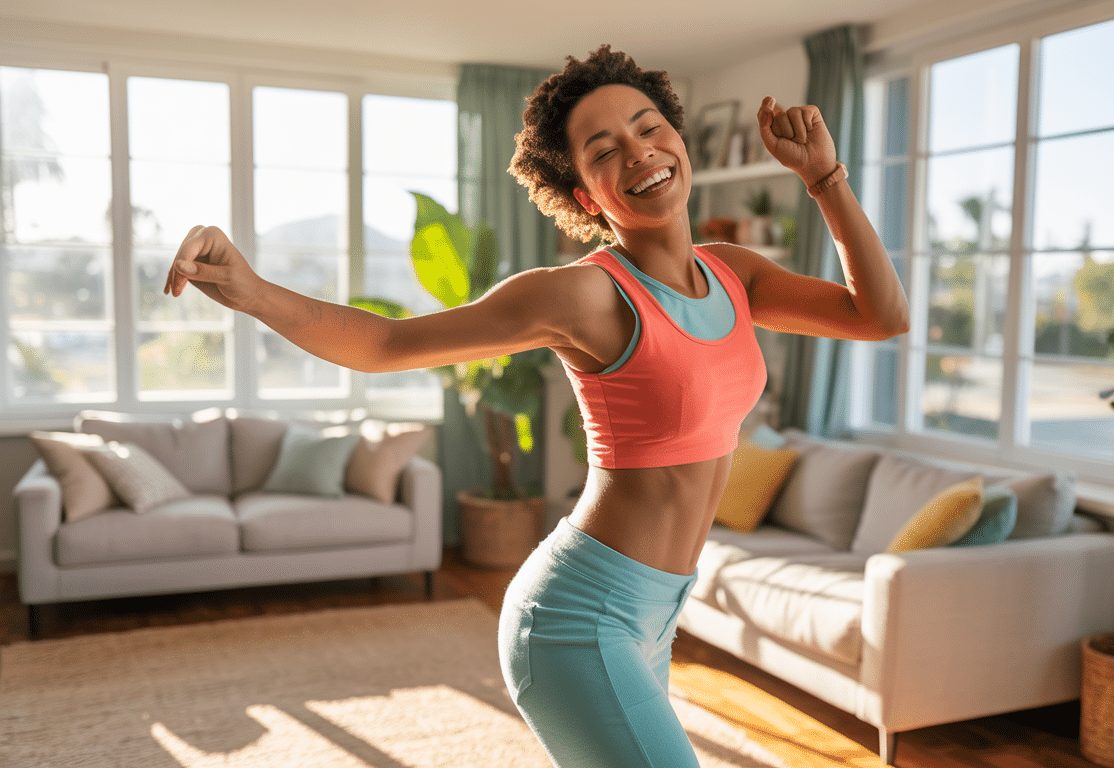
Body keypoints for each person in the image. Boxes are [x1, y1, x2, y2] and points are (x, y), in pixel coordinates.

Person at [165, 44, 908, 768]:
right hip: (580, 617)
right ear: (585, 195)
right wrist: (253, 291)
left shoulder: (734, 273)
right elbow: (389, 343)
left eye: (649, 127)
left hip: (656, 614)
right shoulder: (579, 293)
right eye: (605, 149)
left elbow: (880, 316)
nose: (640, 151)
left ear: (678, 139)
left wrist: (825, 178)